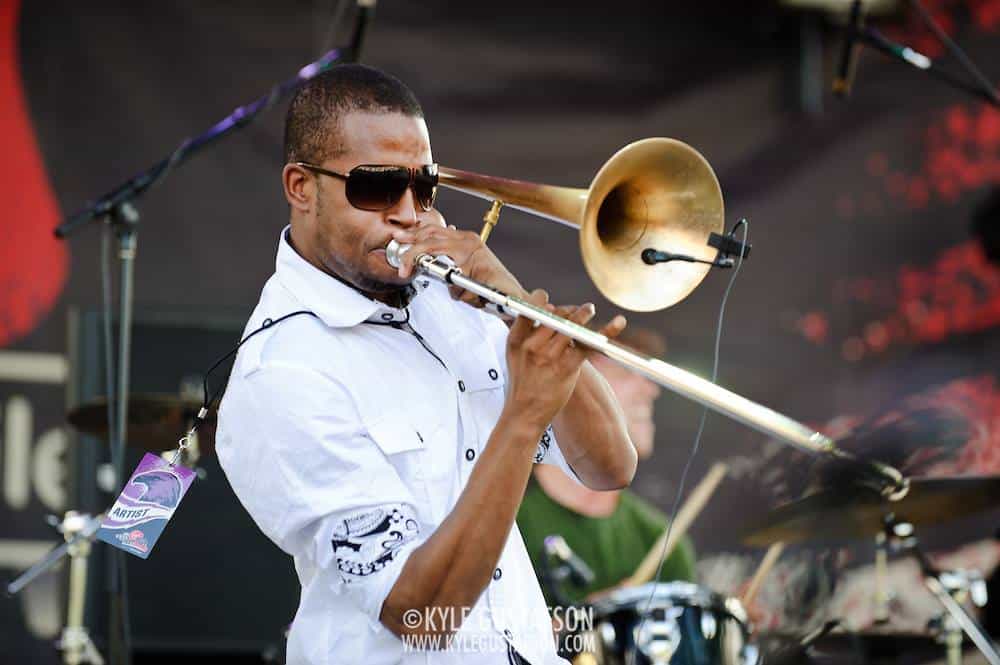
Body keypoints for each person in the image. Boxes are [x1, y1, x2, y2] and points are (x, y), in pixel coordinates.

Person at [214, 64, 638, 665]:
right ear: (301, 187)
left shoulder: (451, 301)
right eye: (379, 188)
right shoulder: (282, 373)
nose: (409, 213)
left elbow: (608, 466)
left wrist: (512, 298)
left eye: (425, 187)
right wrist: (522, 418)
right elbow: (419, 614)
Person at [517, 328, 697, 607]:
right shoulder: (508, 518)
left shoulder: (662, 543)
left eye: (648, 376)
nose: (651, 389)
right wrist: (587, 622)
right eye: (626, 371)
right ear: (571, 390)